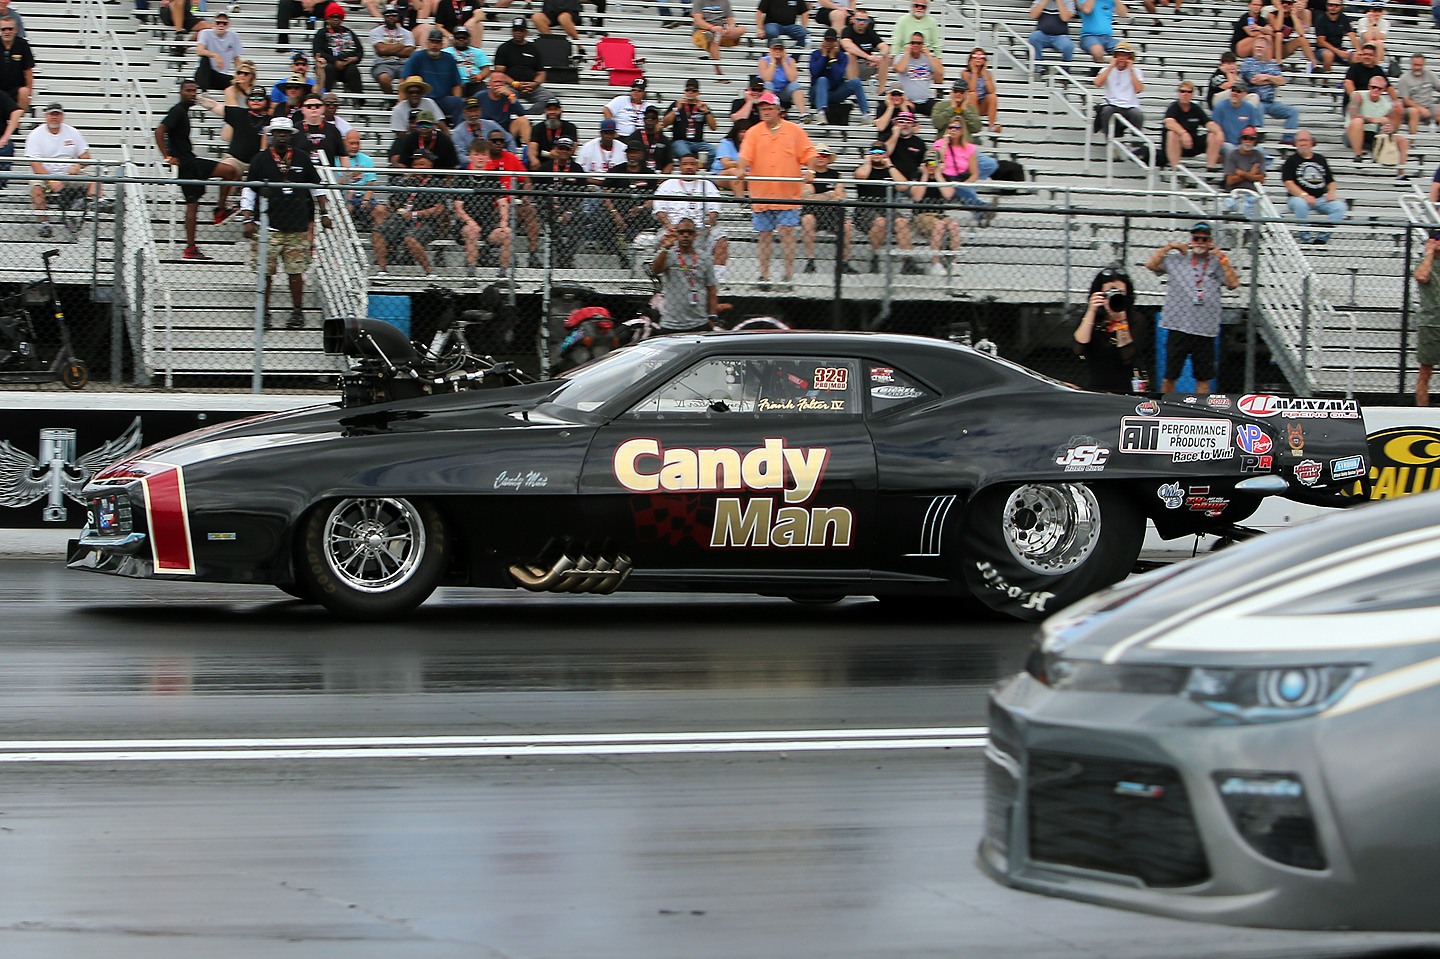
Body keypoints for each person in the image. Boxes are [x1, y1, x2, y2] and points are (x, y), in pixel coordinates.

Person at [240, 116, 329, 330]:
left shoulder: (302, 158)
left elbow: (317, 187)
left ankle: (298, 312)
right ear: (271, 135)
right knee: (265, 272)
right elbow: (249, 190)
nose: (281, 136)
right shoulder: (260, 159)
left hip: (297, 227)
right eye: (277, 132)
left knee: (295, 272)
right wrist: (247, 218)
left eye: (285, 132)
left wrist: (324, 213)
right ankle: (264, 312)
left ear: (291, 135)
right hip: (267, 227)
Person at [1144, 223, 1239, 394]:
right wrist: (1170, 246)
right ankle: (1166, 404)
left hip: (1205, 330)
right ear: (1191, 240)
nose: (1200, 242)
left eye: (1204, 239)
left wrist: (1223, 258)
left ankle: (1199, 408)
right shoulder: (1177, 259)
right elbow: (1150, 264)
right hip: (1178, 326)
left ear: (1210, 241)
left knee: (1203, 377)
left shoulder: (1216, 263)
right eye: (1196, 238)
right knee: (1170, 375)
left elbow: (1233, 284)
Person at [736, 92, 816, 285]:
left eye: (770, 108)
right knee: (764, 236)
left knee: (787, 234)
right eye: (763, 109)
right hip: (762, 194)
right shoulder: (753, 132)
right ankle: (764, 275)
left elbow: (810, 153)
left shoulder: (794, 130)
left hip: (787, 194)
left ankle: (788, 275)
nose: (766, 112)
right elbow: (745, 155)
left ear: (778, 110)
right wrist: (740, 168)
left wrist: (811, 170)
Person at [155, 79, 240, 261]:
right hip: (188, 164)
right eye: (188, 90)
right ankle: (219, 212)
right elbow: (159, 130)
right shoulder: (177, 111)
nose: (192, 94)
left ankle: (191, 247)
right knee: (229, 171)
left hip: (189, 162)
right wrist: (167, 157)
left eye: (194, 91)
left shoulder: (183, 111)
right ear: (180, 92)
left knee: (193, 204)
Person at [371, 151, 446, 280]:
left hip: (424, 221)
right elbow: (395, 201)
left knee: (410, 239)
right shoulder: (406, 181)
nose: (417, 167)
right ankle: (382, 270)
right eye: (415, 164)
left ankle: (429, 272)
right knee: (378, 232)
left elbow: (439, 209)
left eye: (421, 164)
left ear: (430, 165)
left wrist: (415, 214)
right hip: (402, 219)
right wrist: (403, 183)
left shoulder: (436, 183)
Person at [655, 152, 730, 277]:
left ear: (697, 166)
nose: (689, 167)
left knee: (721, 238)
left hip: (701, 228)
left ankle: (717, 278)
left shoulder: (707, 184)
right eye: (685, 164)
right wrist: (669, 225)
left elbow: (714, 210)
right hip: (675, 228)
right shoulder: (667, 184)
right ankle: (663, 277)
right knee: (664, 238)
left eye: (692, 164)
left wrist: (708, 226)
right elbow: (659, 210)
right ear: (679, 166)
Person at [26, 104, 95, 239]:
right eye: (51, 114)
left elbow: (86, 157)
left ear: (62, 116)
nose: (54, 117)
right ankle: (45, 224)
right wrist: (51, 180)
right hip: (44, 175)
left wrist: (78, 165)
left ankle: (96, 206)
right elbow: (35, 164)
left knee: (95, 181)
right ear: (46, 116)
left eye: (57, 114)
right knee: (36, 188)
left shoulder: (72, 132)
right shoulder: (36, 134)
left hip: (68, 175)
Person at [454, 136, 517, 278]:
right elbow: (458, 208)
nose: (480, 158)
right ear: (470, 156)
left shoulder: (492, 178)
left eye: (483, 154)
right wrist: (470, 222)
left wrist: (503, 222)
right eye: (476, 154)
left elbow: (503, 203)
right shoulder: (463, 178)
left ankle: (503, 274)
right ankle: (471, 274)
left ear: (488, 157)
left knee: (507, 233)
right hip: (465, 224)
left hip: (487, 223)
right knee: (471, 232)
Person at [1073, 268, 1136, 393]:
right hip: (1092, 383)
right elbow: (1078, 348)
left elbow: (1127, 357)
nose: (1115, 297)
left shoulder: (1135, 319)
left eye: (1120, 293)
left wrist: (1120, 321)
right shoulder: (1091, 318)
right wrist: (1092, 310)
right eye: (1109, 293)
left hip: (1124, 385)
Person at [854, 139, 913, 273]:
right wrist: (868, 162)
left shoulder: (891, 170)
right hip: (865, 208)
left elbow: (903, 186)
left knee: (902, 222)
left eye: (880, 151)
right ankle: (875, 257)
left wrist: (890, 165)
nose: (877, 154)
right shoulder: (865, 168)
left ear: (886, 154)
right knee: (880, 222)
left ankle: (908, 261)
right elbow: (861, 176)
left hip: (887, 208)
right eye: (874, 151)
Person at [650, 218, 718, 333]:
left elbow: (711, 288)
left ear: (695, 235)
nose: (685, 235)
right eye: (681, 232)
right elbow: (656, 270)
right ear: (676, 234)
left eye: (690, 233)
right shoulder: (668, 254)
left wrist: (712, 316)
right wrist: (665, 249)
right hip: (670, 323)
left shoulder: (705, 258)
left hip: (699, 322)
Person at [1283, 129, 1345, 243]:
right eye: (1300, 140)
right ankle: (1305, 238)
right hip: (1298, 198)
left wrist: (1331, 194)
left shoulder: (1320, 159)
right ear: (1295, 143)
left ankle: (1322, 238)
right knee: (1300, 204)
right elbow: (1288, 183)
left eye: (1305, 140)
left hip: (1320, 198)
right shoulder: (1290, 161)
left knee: (1340, 207)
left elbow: (1331, 181)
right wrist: (1304, 195)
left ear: (1312, 142)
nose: (1303, 143)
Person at [799, 143, 852, 273]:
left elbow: (841, 196)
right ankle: (810, 260)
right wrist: (829, 195)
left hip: (833, 213)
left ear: (828, 158)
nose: (821, 157)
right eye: (817, 155)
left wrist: (817, 196)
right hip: (812, 212)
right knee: (807, 220)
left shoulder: (836, 175)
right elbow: (806, 198)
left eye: (824, 155)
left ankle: (844, 262)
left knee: (847, 225)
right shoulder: (808, 175)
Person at [602, 141, 657, 268]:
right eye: (630, 153)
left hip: (641, 212)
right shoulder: (616, 171)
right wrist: (615, 214)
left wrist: (641, 208)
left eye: (635, 153)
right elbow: (605, 196)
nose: (632, 155)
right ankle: (620, 256)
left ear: (642, 155)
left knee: (648, 223)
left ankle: (635, 257)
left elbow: (654, 197)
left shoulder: (649, 173)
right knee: (601, 223)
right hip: (617, 211)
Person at [536, 137, 588, 268]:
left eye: (567, 149)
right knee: (550, 223)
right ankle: (563, 257)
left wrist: (569, 211)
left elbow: (581, 193)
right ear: (556, 150)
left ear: (571, 151)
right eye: (561, 148)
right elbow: (537, 191)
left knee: (582, 220)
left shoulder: (577, 169)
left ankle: (566, 256)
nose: (564, 151)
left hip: (570, 209)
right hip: (548, 207)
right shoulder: (545, 168)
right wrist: (549, 205)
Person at [1241, 36, 1300, 144]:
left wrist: (1266, 77)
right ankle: (1258, 135)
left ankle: (1287, 140)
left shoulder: (1272, 65)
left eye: (1261, 47)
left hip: (1270, 102)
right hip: (1255, 100)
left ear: (1267, 49)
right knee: (1258, 106)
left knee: (1293, 111)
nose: (1258, 49)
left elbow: (1282, 81)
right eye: (1257, 47)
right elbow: (1254, 80)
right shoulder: (1248, 62)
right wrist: (1272, 79)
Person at [492, 18, 555, 111]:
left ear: (526, 32)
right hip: (511, 86)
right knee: (504, 97)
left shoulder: (534, 49)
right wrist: (515, 84)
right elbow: (499, 73)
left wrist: (534, 84)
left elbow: (541, 73)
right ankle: (520, 114)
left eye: (521, 30)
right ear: (512, 31)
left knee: (550, 100)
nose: (518, 33)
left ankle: (528, 115)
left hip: (531, 86)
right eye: (515, 30)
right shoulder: (504, 48)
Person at [1348, 74, 1407, 172]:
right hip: (1353, 134)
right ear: (1369, 87)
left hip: (1374, 135)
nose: (1376, 90)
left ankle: (1401, 172)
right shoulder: (1358, 95)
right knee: (1357, 121)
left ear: (1383, 90)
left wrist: (1389, 127)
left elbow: (1390, 123)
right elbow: (1353, 115)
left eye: (1379, 88)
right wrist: (1375, 120)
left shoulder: (1386, 104)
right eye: (1373, 87)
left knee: (1402, 140)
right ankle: (1358, 156)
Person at [403, 28, 464, 122]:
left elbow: (456, 85)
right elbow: (404, 79)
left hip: (442, 99)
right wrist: (402, 102)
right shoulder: (417, 57)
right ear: (428, 43)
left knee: (458, 102)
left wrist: (457, 98)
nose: (434, 45)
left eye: (437, 42)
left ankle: (458, 129)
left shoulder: (449, 59)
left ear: (442, 44)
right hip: (422, 99)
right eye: (432, 42)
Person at [1163, 80, 1223, 170]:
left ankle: (1210, 167)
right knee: (1172, 133)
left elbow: (1208, 123)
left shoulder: (1195, 108)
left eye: (1189, 92)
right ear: (1178, 93)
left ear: (1192, 94)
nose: (1185, 94)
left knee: (1213, 134)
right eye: (1182, 91)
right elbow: (1169, 122)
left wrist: (1219, 132)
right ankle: (1174, 167)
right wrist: (1183, 133)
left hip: (1191, 143)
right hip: (1176, 143)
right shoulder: (1173, 107)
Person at [810, 28, 867, 117]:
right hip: (817, 93)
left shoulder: (842, 56)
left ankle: (866, 114)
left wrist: (832, 58)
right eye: (827, 40)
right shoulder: (816, 54)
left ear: (836, 42)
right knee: (822, 80)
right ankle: (821, 113)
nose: (829, 43)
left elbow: (838, 76)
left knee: (856, 81)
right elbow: (814, 72)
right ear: (823, 41)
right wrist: (824, 56)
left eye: (832, 41)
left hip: (835, 93)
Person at [1412, 230, 1440, 407]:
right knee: (1425, 371)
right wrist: (1429, 253)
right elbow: (1422, 276)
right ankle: (1422, 411)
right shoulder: (1422, 263)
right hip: (1431, 323)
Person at [663, 79, 718, 169]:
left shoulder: (702, 106)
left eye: (694, 90)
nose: (690, 92)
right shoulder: (677, 104)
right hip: (680, 141)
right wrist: (676, 109)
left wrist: (707, 112)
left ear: (698, 92)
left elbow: (714, 127)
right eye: (688, 90)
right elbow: (665, 123)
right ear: (685, 91)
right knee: (686, 154)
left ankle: (701, 170)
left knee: (713, 152)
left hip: (699, 142)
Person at [1095, 42, 1144, 138]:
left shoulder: (1136, 71)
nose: (1121, 58)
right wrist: (1110, 66)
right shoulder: (1106, 70)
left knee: (1137, 114)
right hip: (1111, 104)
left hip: (1130, 106)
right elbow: (1097, 83)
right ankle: (1109, 140)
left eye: (1124, 55)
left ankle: (1136, 143)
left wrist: (1131, 69)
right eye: (1119, 55)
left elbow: (1138, 89)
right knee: (1107, 111)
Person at [312, 3, 364, 94]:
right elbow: (317, 51)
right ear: (328, 18)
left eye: (338, 17)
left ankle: (358, 99)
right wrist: (335, 61)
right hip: (330, 64)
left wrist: (353, 59)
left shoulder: (348, 32)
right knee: (328, 69)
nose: (336, 19)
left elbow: (360, 51)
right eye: (333, 17)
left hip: (347, 64)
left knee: (353, 70)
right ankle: (324, 96)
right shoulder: (322, 33)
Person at [1210, 80, 1264, 164]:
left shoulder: (1249, 108)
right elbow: (1215, 128)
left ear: (1245, 94)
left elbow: (1251, 128)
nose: (1235, 93)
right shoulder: (1220, 106)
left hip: (1242, 142)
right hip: (1225, 143)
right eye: (1233, 90)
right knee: (1230, 149)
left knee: (1260, 150)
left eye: (1238, 91)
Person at [693, 0, 747, 79]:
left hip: (720, 30)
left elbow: (730, 19)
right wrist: (712, 28)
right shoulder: (699, 1)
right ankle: (718, 71)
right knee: (714, 38)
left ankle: (719, 34)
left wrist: (731, 26)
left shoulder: (724, 1)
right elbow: (698, 21)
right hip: (702, 30)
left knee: (742, 29)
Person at [370, 5, 417, 96]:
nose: (391, 17)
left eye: (394, 15)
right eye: (388, 15)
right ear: (384, 16)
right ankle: (390, 99)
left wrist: (388, 50)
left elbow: (409, 52)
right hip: (383, 64)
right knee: (383, 78)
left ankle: (401, 99)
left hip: (404, 64)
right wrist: (401, 45)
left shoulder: (407, 33)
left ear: (398, 16)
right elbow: (381, 50)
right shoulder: (375, 32)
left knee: (410, 79)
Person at [893, 33, 942, 116]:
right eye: (913, 43)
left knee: (941, 109)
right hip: (906, 101)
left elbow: (940, 71)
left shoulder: (928, 59)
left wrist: (928, 55)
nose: (915, 45)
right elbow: (900, 69)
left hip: (925, 100)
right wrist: (907, 53)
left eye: (918, 43)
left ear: (922, 45)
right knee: (906, 113)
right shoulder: (901, 57)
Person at [295, 94, 351, 168]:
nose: (313, 108)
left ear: (323, 108)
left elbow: (343, 155)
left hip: (327, 172)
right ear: (302, 109)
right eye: (309, 106)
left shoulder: (333, 130)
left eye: (317, 106)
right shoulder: (295, 129)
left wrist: (345, 173)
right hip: (301, 172)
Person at [1221, 125, 1266, 215]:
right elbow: (1230, 180)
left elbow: (1261, 179)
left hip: (1253, 194)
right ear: (1241, 139)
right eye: (1245, 138)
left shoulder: (1259, 155)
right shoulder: (1232, 155)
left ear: (1255, 141)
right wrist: (1251, 174)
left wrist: (1243, 174)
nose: (1248, 141)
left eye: (1251, 139)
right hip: (1235, 194)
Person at [759, 38, 809, 118]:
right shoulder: (764, 60)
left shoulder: (790, 61)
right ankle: (767, 112)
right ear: (770, 50)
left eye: (780, 49)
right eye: (775, 49)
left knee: (795, 85)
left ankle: (803, 114)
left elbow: (792, 78)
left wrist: (784, 62)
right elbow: (767, 78)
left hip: (784, 92)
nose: (777, 51)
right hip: (770, 91)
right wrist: (773, 62)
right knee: (768, 84)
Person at [390, 108, 457, 168]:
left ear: (433, 125)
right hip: (414, 175)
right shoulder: (409, 139)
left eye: (427, 125)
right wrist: (408, 176)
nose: (424, 129)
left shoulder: (445, 140)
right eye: (420, 126)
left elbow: (451, 166)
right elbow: (403, 163)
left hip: (439, 175)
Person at [195, 13, 244, 91]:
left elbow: (236, 59)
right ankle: (203, 90)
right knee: (204, 59)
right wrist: (215, 55)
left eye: (224, 23)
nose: (221, 25)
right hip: (206, 74)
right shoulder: (205, 33)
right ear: (213, 24)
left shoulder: (233, 36)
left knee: (237, 83)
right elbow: (199, 51)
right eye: (218, 23)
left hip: (221, 75)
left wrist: (240, 74)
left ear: (228, 25)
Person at [343, 127, 380, 230]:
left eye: (357, 143)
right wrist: (349, 175)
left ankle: (376, 235)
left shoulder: (367, 159)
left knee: (381, 210)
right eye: (351, 143)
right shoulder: (337, 159)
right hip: (345, 197)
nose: (355, 146)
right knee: (347, 209)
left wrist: (366, 200)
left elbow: (370, 185)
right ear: (344, 142)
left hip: (363, 197)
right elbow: (336, 182)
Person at [839, 9, 888, 87]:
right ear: (853, 20)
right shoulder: (847, 30)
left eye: (864, 21)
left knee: (885, 58)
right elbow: (847, 45)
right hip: (848, 67)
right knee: (849, 55)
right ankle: (854, 88)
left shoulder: (870, 32)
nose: (861, 23)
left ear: (868, 21)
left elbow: (884, 46)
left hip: (866, 64)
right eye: (858, 20)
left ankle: (881, 90)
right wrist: (868, 57)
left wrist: (880, 56)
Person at [527, 97, 577, 168]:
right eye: (549, 109)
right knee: (533, 163)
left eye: (555, 109)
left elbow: (573, 148)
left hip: (563, 160)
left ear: (561, 111)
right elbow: (533, 147)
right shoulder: (538, 127)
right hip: (543, 161)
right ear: (545, 111)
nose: (552, 112)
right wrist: (534, 159)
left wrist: (558, 153)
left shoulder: (570, 127)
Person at [1396, 54, 1439, 135]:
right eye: (1415, 65)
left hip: (1429, 107)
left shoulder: (1430, 75)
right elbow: (1405, 100)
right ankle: (1413, 139)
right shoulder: (1404, 78)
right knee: (1414, 112)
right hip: (1411, 108)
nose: (1417, 67)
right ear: (1411, 64)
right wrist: (1421, 109)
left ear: (1423, 65)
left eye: (1420, 65)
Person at [482, 72, 530, 143]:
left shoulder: (508, 96)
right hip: (487, 130)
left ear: (504, 83)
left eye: (500, 82)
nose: (498, 84)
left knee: (523, 120)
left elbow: (521, 113)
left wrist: (510, 95)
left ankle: (529, 147)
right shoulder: (481, 96)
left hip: (505, 130)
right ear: (490, 83)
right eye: (495, 82)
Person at [961, 47, 1000, 132]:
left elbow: (991, 91)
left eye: (981, 57)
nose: (978, 59)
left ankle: (991, 125)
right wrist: (974, 72)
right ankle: (975, 124)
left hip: (983, 105)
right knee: (973, 94)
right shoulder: (965, 73)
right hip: (969, 104)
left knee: (993, 96)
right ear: (970, 59)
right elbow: (971, 88)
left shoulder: (988, 74)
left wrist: (984, 75)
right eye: (975, 56)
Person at [1313, 0, 1358, 72]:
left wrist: (1359, 51)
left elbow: (1351, 34)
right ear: (1327, 6)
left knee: (1357, 57)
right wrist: (1338, 52)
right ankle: (1326, 76)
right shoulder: (1321, 19)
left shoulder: (1343, 18)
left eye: (1336, 5)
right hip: (1323, 50)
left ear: (1341, 7)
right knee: (1328, 54)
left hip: (1339, 48)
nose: (1333, 7)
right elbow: (1321, 42)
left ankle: (1352, 77)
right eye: (1330, 5)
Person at [446, 26, 491, 97]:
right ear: (453, 39)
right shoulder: (445, 52)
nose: (461, 40)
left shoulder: (478, 51)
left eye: (464, 37)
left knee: (484, 94)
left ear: (469, 39)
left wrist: (478, 77)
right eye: (458, 37)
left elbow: (486, 69)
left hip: (474, 83)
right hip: (453, 83)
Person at [1029, 0, 1075, 66]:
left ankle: (1064, 69)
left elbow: (1065, 18)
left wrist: (1059, 1)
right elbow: (1033, 15)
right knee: (1033, 37)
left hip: (1060, 36)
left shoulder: (1068, 1)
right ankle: (1038, 67)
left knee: (1068, 46)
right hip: (1042, 35)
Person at [0, 15, 32, 112]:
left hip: (16, 90)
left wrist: (29, 92)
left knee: (24, 91)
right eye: (3, 29)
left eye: (10, 29)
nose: (7, 32)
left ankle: (18, 120)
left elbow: (28, 71)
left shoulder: (22, 44)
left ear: (16, 29)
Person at [1271, 0, 1315, 67]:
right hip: (1271, 48)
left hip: (1283, 48)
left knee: (1302, 40)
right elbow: (1277, 28)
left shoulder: (1292, 16)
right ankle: (1279, 63)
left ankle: (1314, 65)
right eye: (1283, 2)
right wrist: (1281, 11)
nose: (1285, 5)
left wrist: (1294, 15)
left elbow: (1301, 32)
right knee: (1279, 34)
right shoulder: (1272, 15)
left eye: (1289, 3)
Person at [634, 106, 674, 174]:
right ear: (644, 119)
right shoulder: (635, 137)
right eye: (647, 117)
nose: (650, 119)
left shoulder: (664, 139)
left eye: (653, 118)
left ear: (657, 120)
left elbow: (669, 163)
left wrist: (661, 177)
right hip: (639, 174)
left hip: (659, 174)